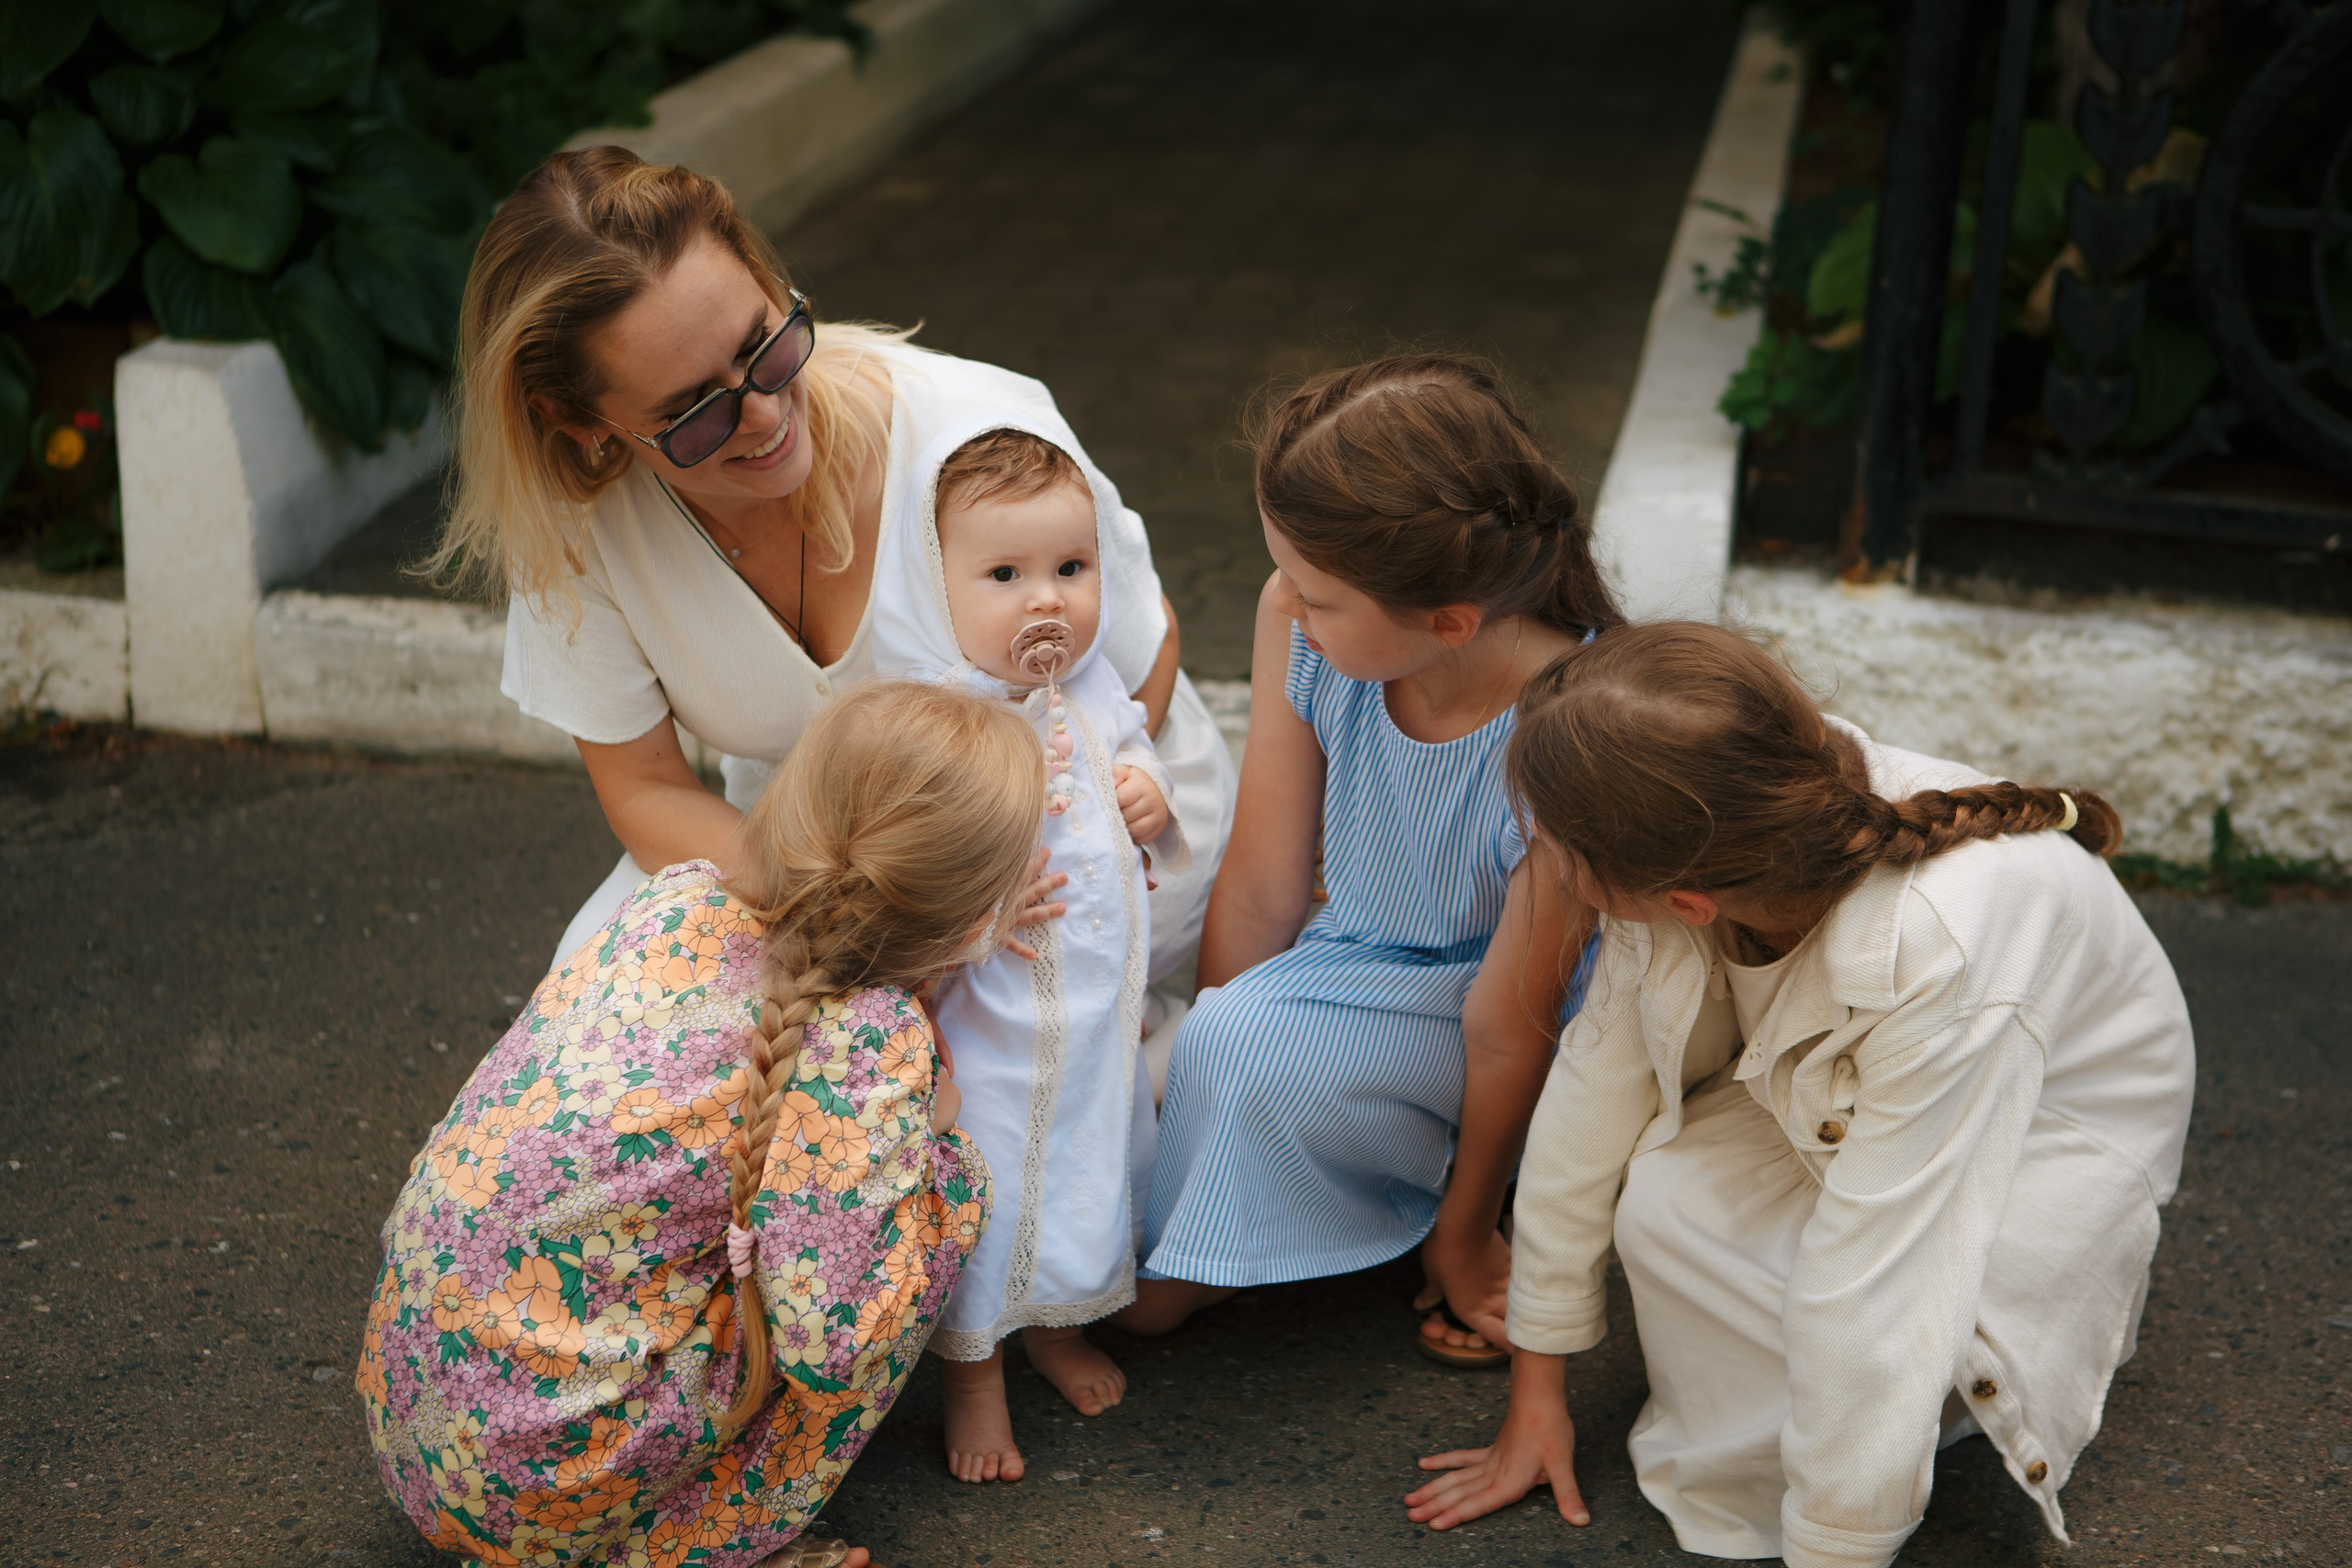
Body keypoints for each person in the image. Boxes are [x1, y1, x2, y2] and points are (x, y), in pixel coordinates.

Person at [1406, 623, 2196, 1568]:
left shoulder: (1942, 943)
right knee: (1662, 1204)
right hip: (1847, 1084)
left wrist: (1838, 1546)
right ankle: (1817, 1453)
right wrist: (1535, 1396)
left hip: (2048, 1128)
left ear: (1683, 900)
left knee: (1849, 1294)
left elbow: (1885, 1280)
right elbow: (1591, 1097)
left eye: (1555, 849)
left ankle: (1925, 1417)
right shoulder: (1708, 807)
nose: (1545, 864)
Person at [432, 145, 1233, 982]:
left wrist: (948, 885)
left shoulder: (983, 440)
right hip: (815, 856)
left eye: (766, 346)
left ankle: (1155, 1051)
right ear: (575, 418)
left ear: (767, 278)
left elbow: (1148, 647)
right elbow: (645, 791)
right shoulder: (576, 530)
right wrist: (843, 901)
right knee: (596, 1014)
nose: (767, 413)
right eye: (693, 415)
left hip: (1061, 846)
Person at [359, 681, 1041, 1568]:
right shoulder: (866, 1046)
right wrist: (925, 1119)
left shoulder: (677, 899)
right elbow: (838, 1343)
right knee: (948, 1186)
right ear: (976, 922)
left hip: (410, 1421)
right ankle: (683, 1542)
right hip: (535, 1496)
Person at [1114, 355, 1619, 1365]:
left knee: (1146, 1287)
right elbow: (1264, 882)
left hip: (1514, 1015)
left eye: (1320, 595)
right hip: (1358, 966)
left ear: (1450, 622)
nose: (1291, 606)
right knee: (1210, 1053)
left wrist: (1464, 1237)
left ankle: (1458, 1197)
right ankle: (1293, 1188)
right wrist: (1217, 1057)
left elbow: (1510, 1026)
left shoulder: (1570, 728)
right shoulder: (1297, 620)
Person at [868, 423, 1188, 1482]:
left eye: (1070, 568)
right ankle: (972, 1373)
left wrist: (1146, 797)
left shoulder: (1096, 690)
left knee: (1091, 1167)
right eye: (1004, 574)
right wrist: (972, 917)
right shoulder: (941, 721)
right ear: (940, 586)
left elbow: (1134, 761)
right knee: (994, 1183)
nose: (1044, 599)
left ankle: (1055, 1322)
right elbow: (905, 867)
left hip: (1094, 1016)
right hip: (989, 1021)